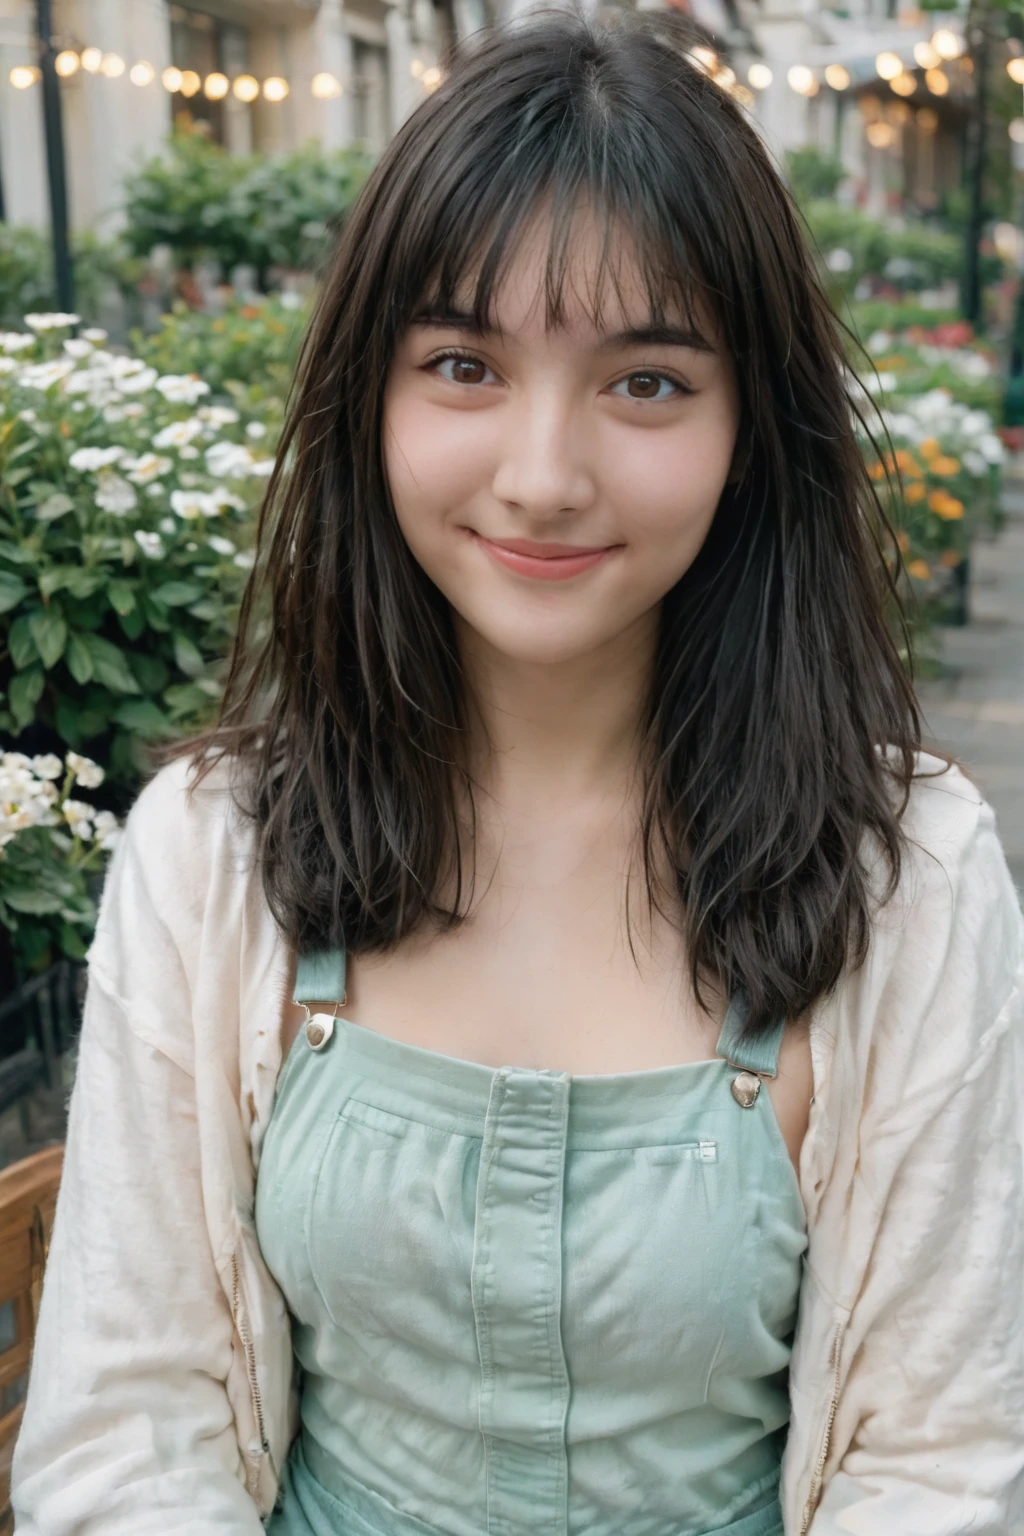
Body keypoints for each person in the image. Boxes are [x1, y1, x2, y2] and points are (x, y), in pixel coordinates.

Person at [12, 9, 1024, 1535]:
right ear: (372, 396)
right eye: (466, 363)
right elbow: (128, 1430)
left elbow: (939, 1460)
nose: (544, 473)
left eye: (648, 383)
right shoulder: (215, 851)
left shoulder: (909, 873)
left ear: (752, 428)